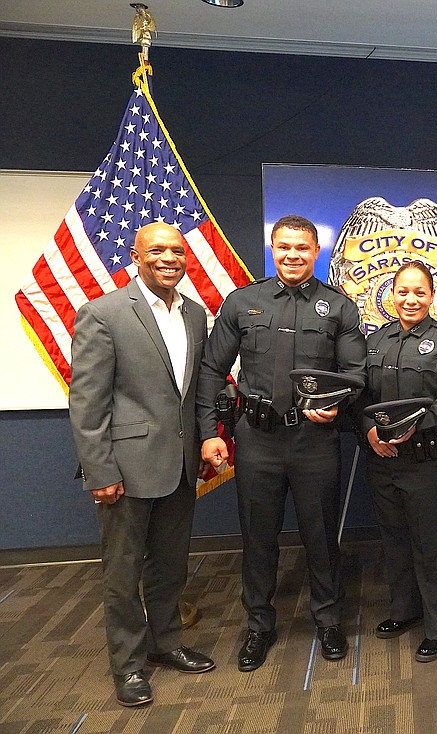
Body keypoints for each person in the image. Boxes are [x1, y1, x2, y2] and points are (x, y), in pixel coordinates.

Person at [198, 215, 367, 671]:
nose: (293, 255)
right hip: (257, 439)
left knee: (320, 535)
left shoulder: (338, 307)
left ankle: (328, 620)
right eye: (284, 247)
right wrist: (210, 431)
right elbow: (213, 370)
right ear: (273, 250)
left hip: (314, 438)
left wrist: (335, 405)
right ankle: (258, 626)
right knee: (258, 537)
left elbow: (355, 376)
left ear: (317, 252)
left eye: (302, 248)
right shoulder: (243, 302)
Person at [69, 222, 215, 707]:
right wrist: (100, 471)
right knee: (122, 573)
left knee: (170, 566)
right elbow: (87, 403)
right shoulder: (103, 313)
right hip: (125, 471)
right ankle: (129, 666)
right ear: (136, 255)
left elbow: (190, 393)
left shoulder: (195, 315)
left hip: (179, 464)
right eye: (157, 250)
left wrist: (207, 440)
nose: (169, 257)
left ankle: (166, 642)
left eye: (177, 250)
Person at [359, 261, 437, 663]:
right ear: (391, 295)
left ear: (432, 296)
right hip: (384, 460)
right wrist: (368, 429)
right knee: (395, 541)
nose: (410, 299)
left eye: (419, 292)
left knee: (432, 546)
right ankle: (404, 611)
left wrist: (418, 424)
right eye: (403, 292)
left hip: (431, 461)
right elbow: (361, 395)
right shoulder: (375, 341)